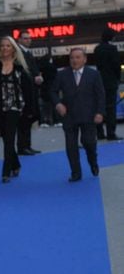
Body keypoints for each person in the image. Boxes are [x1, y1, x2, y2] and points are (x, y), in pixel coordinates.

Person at [0, 36, 35, 183]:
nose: (5, 48)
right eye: (2, 46)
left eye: (8, 46)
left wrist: (30, 109)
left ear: (13, 49)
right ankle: (16, 164)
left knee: (10, 138)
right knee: (6, 139)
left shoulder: (19, 66)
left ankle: (5, 171)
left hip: (15, 107)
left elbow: (28, 89)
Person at [50, 48, 106, 182]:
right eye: (72, 58)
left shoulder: (94, 74)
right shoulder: (62, 74)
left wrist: (100, 112)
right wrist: (58, 104)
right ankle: (76, 172)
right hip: (69, 115)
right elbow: (52, 91)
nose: (74, 60)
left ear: (84, 59)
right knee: (71, 146)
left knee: (89, 143)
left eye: (77, 57)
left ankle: (93, 162)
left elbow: (101, 95)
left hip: (89, 115)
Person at [16, 30, 43, 155]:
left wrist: (38, 75)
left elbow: (33, 69)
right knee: (25, 119)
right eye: (25, 38)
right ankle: (22, 146)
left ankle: (27, 145)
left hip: (32, 89)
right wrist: (34, 77)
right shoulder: (18, 53)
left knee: (30, 117)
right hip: (24, 91)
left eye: (29, 38)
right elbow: (23, 72)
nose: (28, 40)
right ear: (19, 40)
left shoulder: (28, 53)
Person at [94, 27, 122, 141]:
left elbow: (98, 65)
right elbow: (116, 66)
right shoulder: (112, 49)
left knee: (99, 106)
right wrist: (117, 78)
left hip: (100, 80)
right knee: (111, 108)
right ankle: (111, 132)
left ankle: (100, 132)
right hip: (110, 81)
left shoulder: (97, 49)